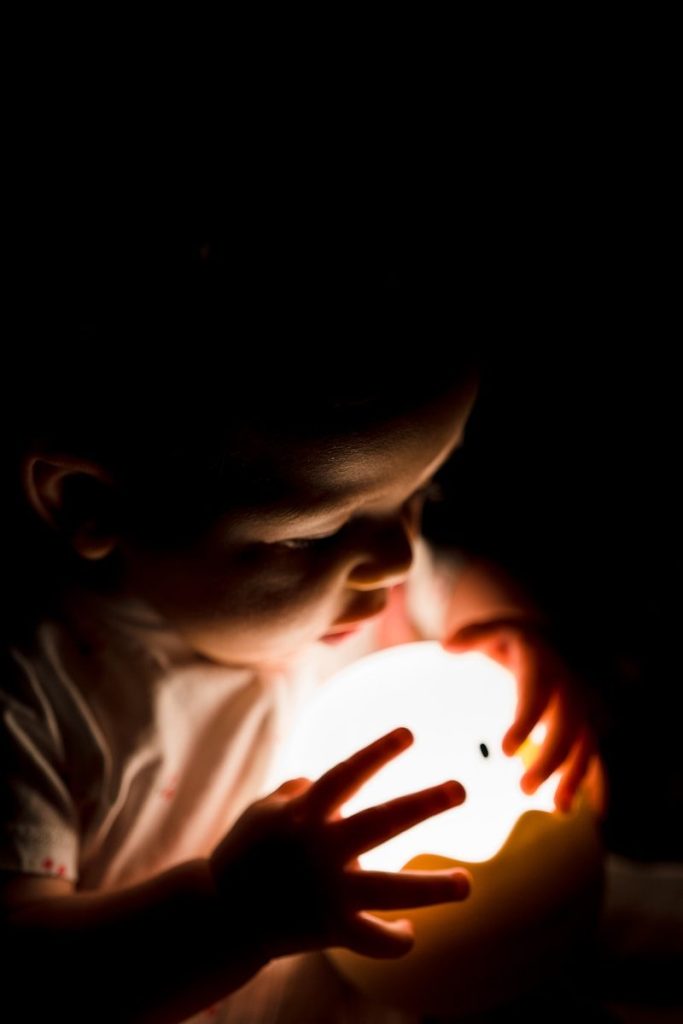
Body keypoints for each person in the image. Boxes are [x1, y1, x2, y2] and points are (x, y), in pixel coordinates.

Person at [0, 239, 603, 1023]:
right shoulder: (36, 697)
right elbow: (25, 976)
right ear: (95, 505)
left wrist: (507, 630)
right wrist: (233, 914)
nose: (396, 558)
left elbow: (455, 583)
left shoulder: (365, 577)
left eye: (423, 493)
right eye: (313, 535)